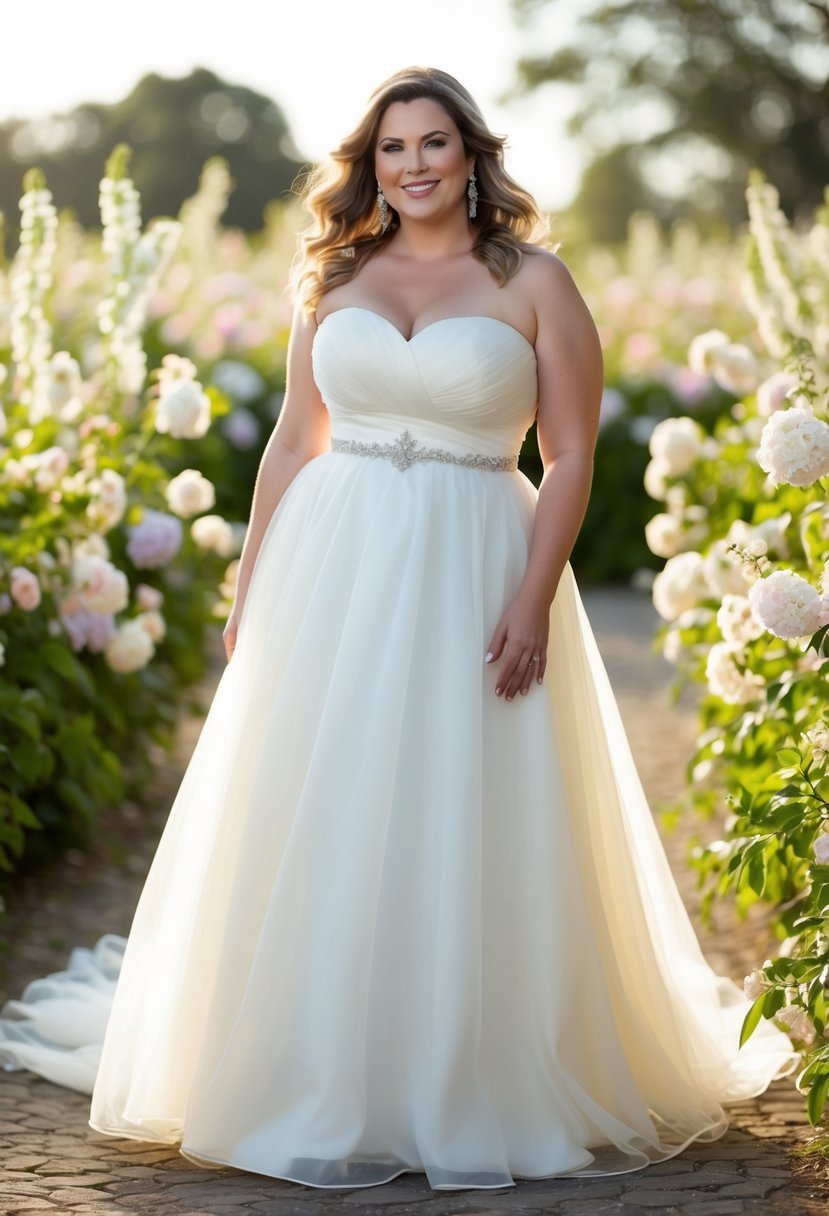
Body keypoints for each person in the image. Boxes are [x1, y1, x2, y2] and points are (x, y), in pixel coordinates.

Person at [0, 66, 797, 1193]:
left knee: (459, 801)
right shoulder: (334, 274)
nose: (412, 164)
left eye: (432, 143)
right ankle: (315, 1059)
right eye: (390, 149)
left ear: (471, 156)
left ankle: (460, 1069)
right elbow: (290, 439)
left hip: (478, 558)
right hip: (336, 564)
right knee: (324, 800)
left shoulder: (537, 282)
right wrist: (251, 581)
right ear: (369, 167)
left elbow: (568, 453)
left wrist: (529, 597)